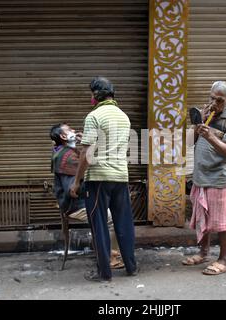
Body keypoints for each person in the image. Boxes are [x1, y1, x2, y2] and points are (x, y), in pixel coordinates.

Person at [70, 76, 138, 282]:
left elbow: (86, 154)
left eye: (91, 93)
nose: (90, 97)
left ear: (97, 95)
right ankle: (131, 267)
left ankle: (104, 272)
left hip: (99, 178)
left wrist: (76, 181)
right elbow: (114, 144)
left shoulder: (94, 116)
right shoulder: (124, 117)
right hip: (120, 176)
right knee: (124, 223)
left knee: (99, 225)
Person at [182, 80, 226, 276]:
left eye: (219, 100)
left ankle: (224, 259)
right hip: (200, 175)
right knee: (202, 218)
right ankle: (204, 253)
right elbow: (188, 142)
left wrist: (210, 136)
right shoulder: (205, 114)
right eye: (212, 98)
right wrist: (197, 124)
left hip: (218, 177)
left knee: (221, 221)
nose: (215, 103)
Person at [50, 123, 124, 269]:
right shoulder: (65, 156)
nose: (74, 131)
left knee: (113, 211)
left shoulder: (68, 151)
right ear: (63, 136)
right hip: (76, 205)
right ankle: (110, 257)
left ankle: (108, 251)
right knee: (111, 218)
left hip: (83, 200)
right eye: (69, 130)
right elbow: (73, 189)